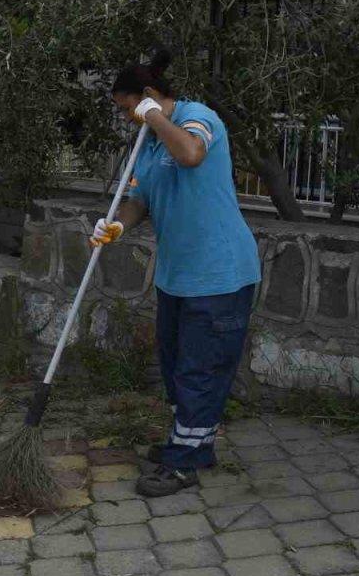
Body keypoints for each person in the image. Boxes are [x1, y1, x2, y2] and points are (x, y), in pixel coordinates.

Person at [91, 51, 261, 497]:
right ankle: (192, 444)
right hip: (177, 275)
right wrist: (117, 226)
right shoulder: (147, 144)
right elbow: (139, 200)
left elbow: (190, 153)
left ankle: (184, 463)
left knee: (199, 370)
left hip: (220, 273)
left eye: (129, 109)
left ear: (148, 97)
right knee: (175, 366)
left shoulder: (195, 118)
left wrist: (153, 117)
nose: (128, 119)